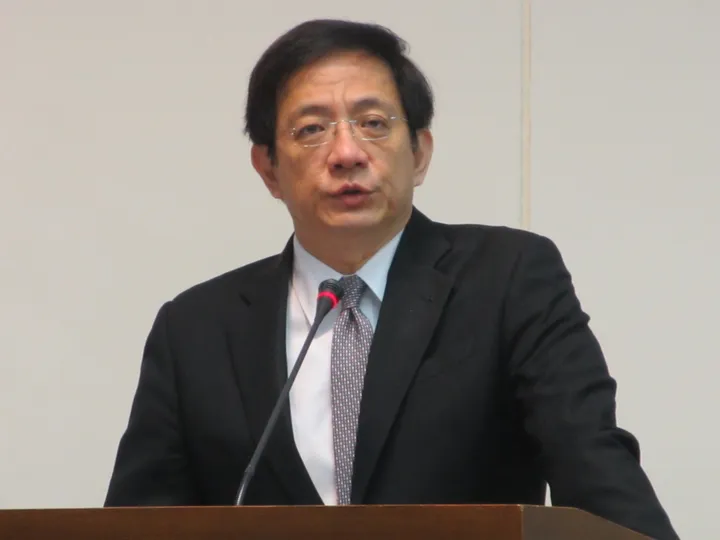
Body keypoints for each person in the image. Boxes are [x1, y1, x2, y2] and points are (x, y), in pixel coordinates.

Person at [104, 18, 678, 539]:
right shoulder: (195, 330)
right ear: (268, 169)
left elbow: (593, 465)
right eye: (312, 129)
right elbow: (139, 523)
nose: (347, 153)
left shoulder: (508, 279)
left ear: (420, 153)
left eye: (373, 124)